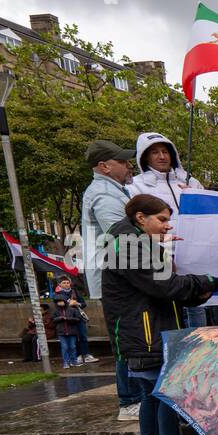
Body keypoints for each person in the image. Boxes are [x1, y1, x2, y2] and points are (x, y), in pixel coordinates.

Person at [102, 194, 218, 435]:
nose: (168, 226)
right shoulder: (130, 247)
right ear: (141, 217)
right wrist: (202, 282)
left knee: (151, 394)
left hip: (148, 328)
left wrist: (194, 293)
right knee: (167, 392)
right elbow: (165, 286)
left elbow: (162, 291)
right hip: (145, 333)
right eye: (162, 219)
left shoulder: (136, 244)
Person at [82, 140, 142, 420]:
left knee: (130, 335)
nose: (128, 165)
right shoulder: (105, 195)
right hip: (119, 278)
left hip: (119, 275)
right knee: (126, 337)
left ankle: (132, 397)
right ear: (104, 166)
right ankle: (129, 401)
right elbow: (120, 234)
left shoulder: (113, 191)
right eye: (122, 161)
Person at [125, 131, 207, 327]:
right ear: (144, 157)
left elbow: (208, 214)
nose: (161, 156)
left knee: (198, 312)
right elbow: (136, 226)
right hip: (162, 261)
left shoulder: (191, 182)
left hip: (194, 257)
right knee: (169, 314)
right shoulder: (134, 186)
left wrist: (196, 197)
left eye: (165, 151)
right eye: (154, 152)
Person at [53, 275, 96, 364]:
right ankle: (77, 356)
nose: (66, 284)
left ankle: (86, 354)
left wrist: (77, 303)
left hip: (78, 317)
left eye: (68, 283)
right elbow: (59, 305)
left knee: (83, 336)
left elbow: (83, 304)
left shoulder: (74, 292)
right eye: (64, 283)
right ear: (59, 284)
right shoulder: (57, 294)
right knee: (73, 338)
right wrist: (69, 304)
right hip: (67, 319)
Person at [51, 293, 83, 369]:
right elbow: (53, 320)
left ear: (65, 301)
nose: (60, 303)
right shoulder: (55, 311)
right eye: (58, 301)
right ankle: (66, 362)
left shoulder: (72, 310)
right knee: (64, 347)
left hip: (72, 332)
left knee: (72, 347)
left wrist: (67, 319)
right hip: (61, 333)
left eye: (61, 301)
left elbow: (78, 319)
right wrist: (60, 318)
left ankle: (74, 361)